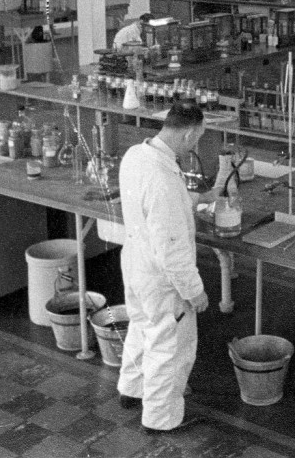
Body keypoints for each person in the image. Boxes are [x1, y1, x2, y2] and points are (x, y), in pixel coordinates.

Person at [117, 101, 209, 433]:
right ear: (189, 133)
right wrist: (195, 292)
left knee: (142, 327)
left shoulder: (137, 156)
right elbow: (173, 251)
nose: (195, 146)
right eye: (197, 139)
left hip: (135, 263)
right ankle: (161, 419)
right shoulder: (163, 178)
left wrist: (191, 201)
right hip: (161, 276)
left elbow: (154, 206)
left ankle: (131, 389)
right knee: (169, 346)